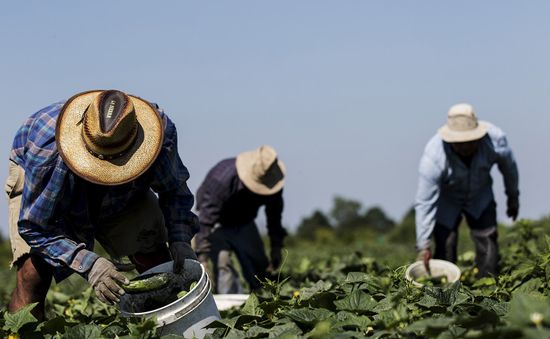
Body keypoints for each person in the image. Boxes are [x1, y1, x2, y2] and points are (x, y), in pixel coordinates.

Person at [6, 89, 199, 319]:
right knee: (33, 273)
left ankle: (172, 327)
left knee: (155, 257)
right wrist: (90, 264)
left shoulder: (159, 134)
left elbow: (174, 190)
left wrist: (180, 238)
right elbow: (35, 227)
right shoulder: (48, 154)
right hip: (48, 183)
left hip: (124, 193)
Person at [415, 103, 519, 277]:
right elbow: (425, 203)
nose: (465, 147)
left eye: (469, 142)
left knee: (488, 243)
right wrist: (423, 245)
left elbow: (510, 169)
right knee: (445, 246)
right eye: (459, 143)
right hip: (448, 200)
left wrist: (513, 197)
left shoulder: (495, 141)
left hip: (481, 195)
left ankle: (488, 290)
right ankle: (445, 296)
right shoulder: (433, 156)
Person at [194, 145, 287, 293]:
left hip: (244, 221)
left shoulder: (273, 180)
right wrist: (202, 257)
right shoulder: (222, 178)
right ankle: (229, 307)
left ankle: (263, 301)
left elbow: (274, 216)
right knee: (223, 263)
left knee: (259, 267)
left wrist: (276, 246)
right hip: (216, 222)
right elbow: (206, 219)